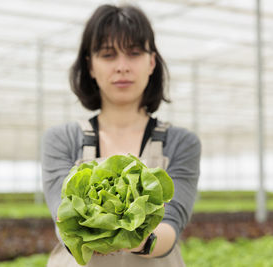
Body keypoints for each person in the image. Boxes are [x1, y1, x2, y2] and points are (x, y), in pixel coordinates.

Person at [41, 4, 201, 267]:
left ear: (151, 63)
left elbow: (172, 223)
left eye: (134, 53)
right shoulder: (61, 139)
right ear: (90, 65)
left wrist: (137, 239)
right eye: (108, 55)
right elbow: (65, 222)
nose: (122, 66)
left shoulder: (181, 142)